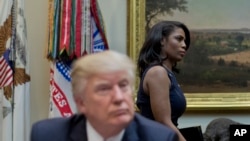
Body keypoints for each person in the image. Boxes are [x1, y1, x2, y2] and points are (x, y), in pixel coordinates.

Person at [30, 50, 178, 141]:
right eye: (104, 89)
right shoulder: (48, 135)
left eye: (123, 85)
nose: (119, 98)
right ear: (81, 102)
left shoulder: (159, 138)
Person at [136, 21, 191, 141]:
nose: (184, 45)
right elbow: (163, 122)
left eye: (185, 41)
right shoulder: (158, 72)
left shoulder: (167, 73)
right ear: (162, 40)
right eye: (179, 39)